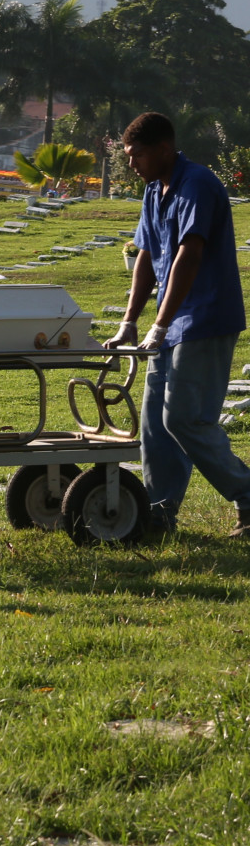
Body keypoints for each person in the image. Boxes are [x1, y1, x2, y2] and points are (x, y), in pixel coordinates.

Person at [107, 112, 250, 535]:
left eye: (137, 156)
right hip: (171, 323)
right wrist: (131, 321)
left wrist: (161, 323)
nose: (131, 164)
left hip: (205, 319)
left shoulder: (197, 184)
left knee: (185, 420)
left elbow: (190, 254)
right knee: (154, 421)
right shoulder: (154, 190)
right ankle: (158, 513)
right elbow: (148, 257)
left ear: (164, 150)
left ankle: (248, 494)